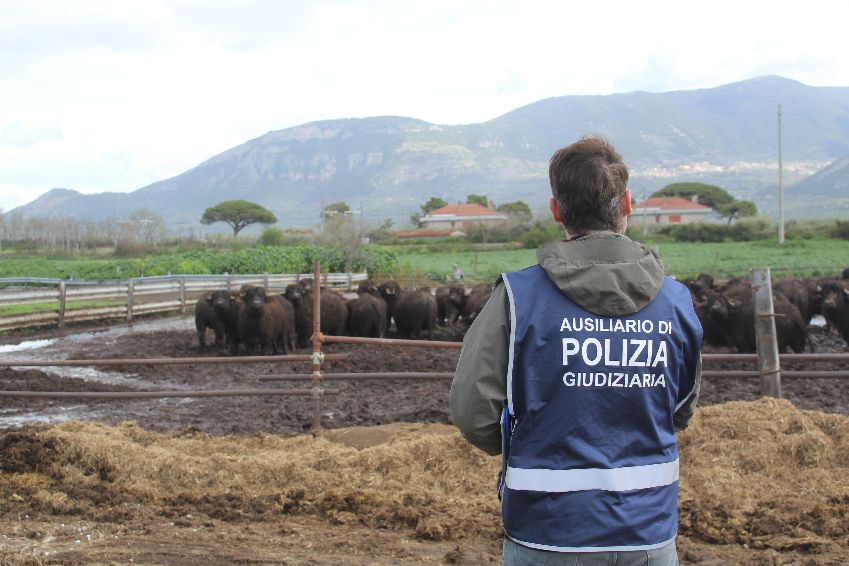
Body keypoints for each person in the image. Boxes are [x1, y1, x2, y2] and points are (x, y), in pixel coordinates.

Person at [449, 136, 702, 565]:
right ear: (626, 205)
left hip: (547, 533)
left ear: (556, 210)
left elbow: (473, 413)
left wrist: (524, 444)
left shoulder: (517, 297)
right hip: (649, 533)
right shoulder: (676, 302)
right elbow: (681, 408)